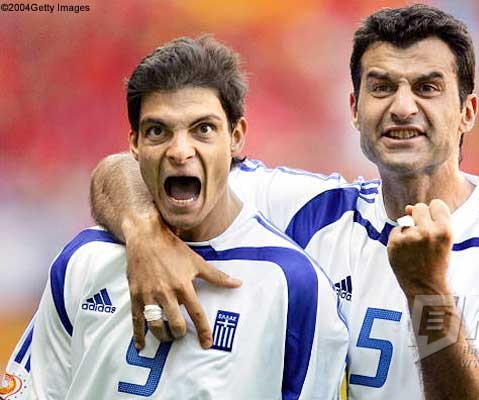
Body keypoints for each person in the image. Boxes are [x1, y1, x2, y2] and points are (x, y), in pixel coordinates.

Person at [85, 4, 479, 400]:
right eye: (381, 87)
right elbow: (125, 169)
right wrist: (144, 233)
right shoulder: (308, 211)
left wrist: (426, 290)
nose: (402, 107)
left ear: (467, 111)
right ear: (355, 109)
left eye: (427, 88)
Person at [1, 36, 347, 400]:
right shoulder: (84, 260)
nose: (180, 151)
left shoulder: (293, 287)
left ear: (236, 137)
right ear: (134, 144)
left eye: (203, 129)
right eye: (157, 131)